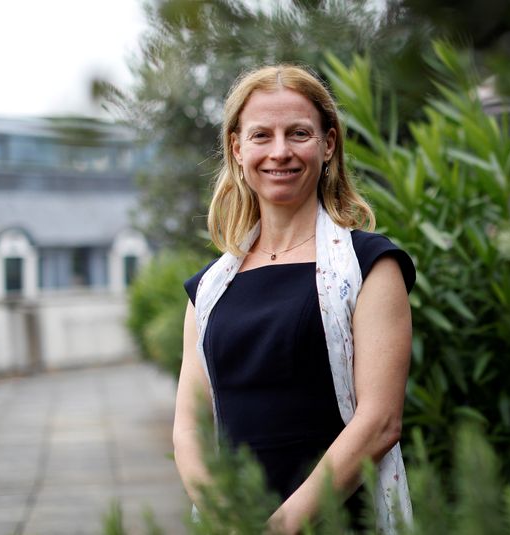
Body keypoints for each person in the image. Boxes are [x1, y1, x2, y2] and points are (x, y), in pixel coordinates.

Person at [172, 64, 415, 534]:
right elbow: (188, 428)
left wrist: (280, 527)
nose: (280, 151)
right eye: (262, 135)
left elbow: (381, 421)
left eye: (298, 133)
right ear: (238, 150)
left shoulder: (371, 267)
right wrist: (228, 518)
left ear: (328, 145)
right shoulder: (207, 289)